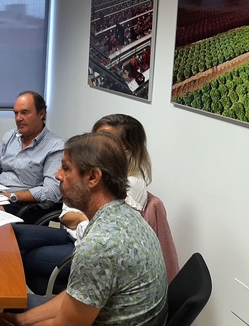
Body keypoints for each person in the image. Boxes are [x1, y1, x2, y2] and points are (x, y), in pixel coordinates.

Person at [0, 131, 168, 326]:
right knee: (12, 305)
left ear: (93, 177)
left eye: (66, 168)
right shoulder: (125, 216)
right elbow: (77, 294)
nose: (57, 175)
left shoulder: (101, 244)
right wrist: (21, 321)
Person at [13, 113, 151, 295]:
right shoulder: (91, 173)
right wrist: (81, 217)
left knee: (21, 258)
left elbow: (96, 231)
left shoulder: (127, 183)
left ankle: (8, 300)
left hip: (82, 245)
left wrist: (81, 218)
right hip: (71, 235)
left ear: (126, 150)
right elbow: (67, 213)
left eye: (106, 141)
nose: (58, 175)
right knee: (10, 235)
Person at [0, 91, 64, 220]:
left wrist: (11, 196)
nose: (18, 118)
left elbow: (51, 191)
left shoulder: (55, 146)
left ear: (41, 114)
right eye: (16, 113)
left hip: (24, 205)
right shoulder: (10, 136)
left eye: (24, 112)